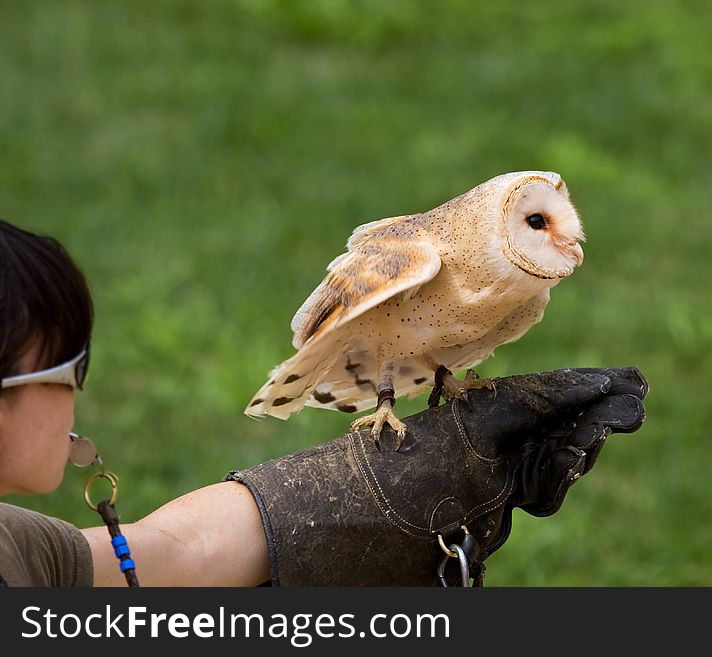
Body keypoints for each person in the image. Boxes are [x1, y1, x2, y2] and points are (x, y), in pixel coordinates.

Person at [0, 219, 648, 587]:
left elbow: (169, 552)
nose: (81, 388)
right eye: (67, 364)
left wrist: (378, 487)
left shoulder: (15, 546)